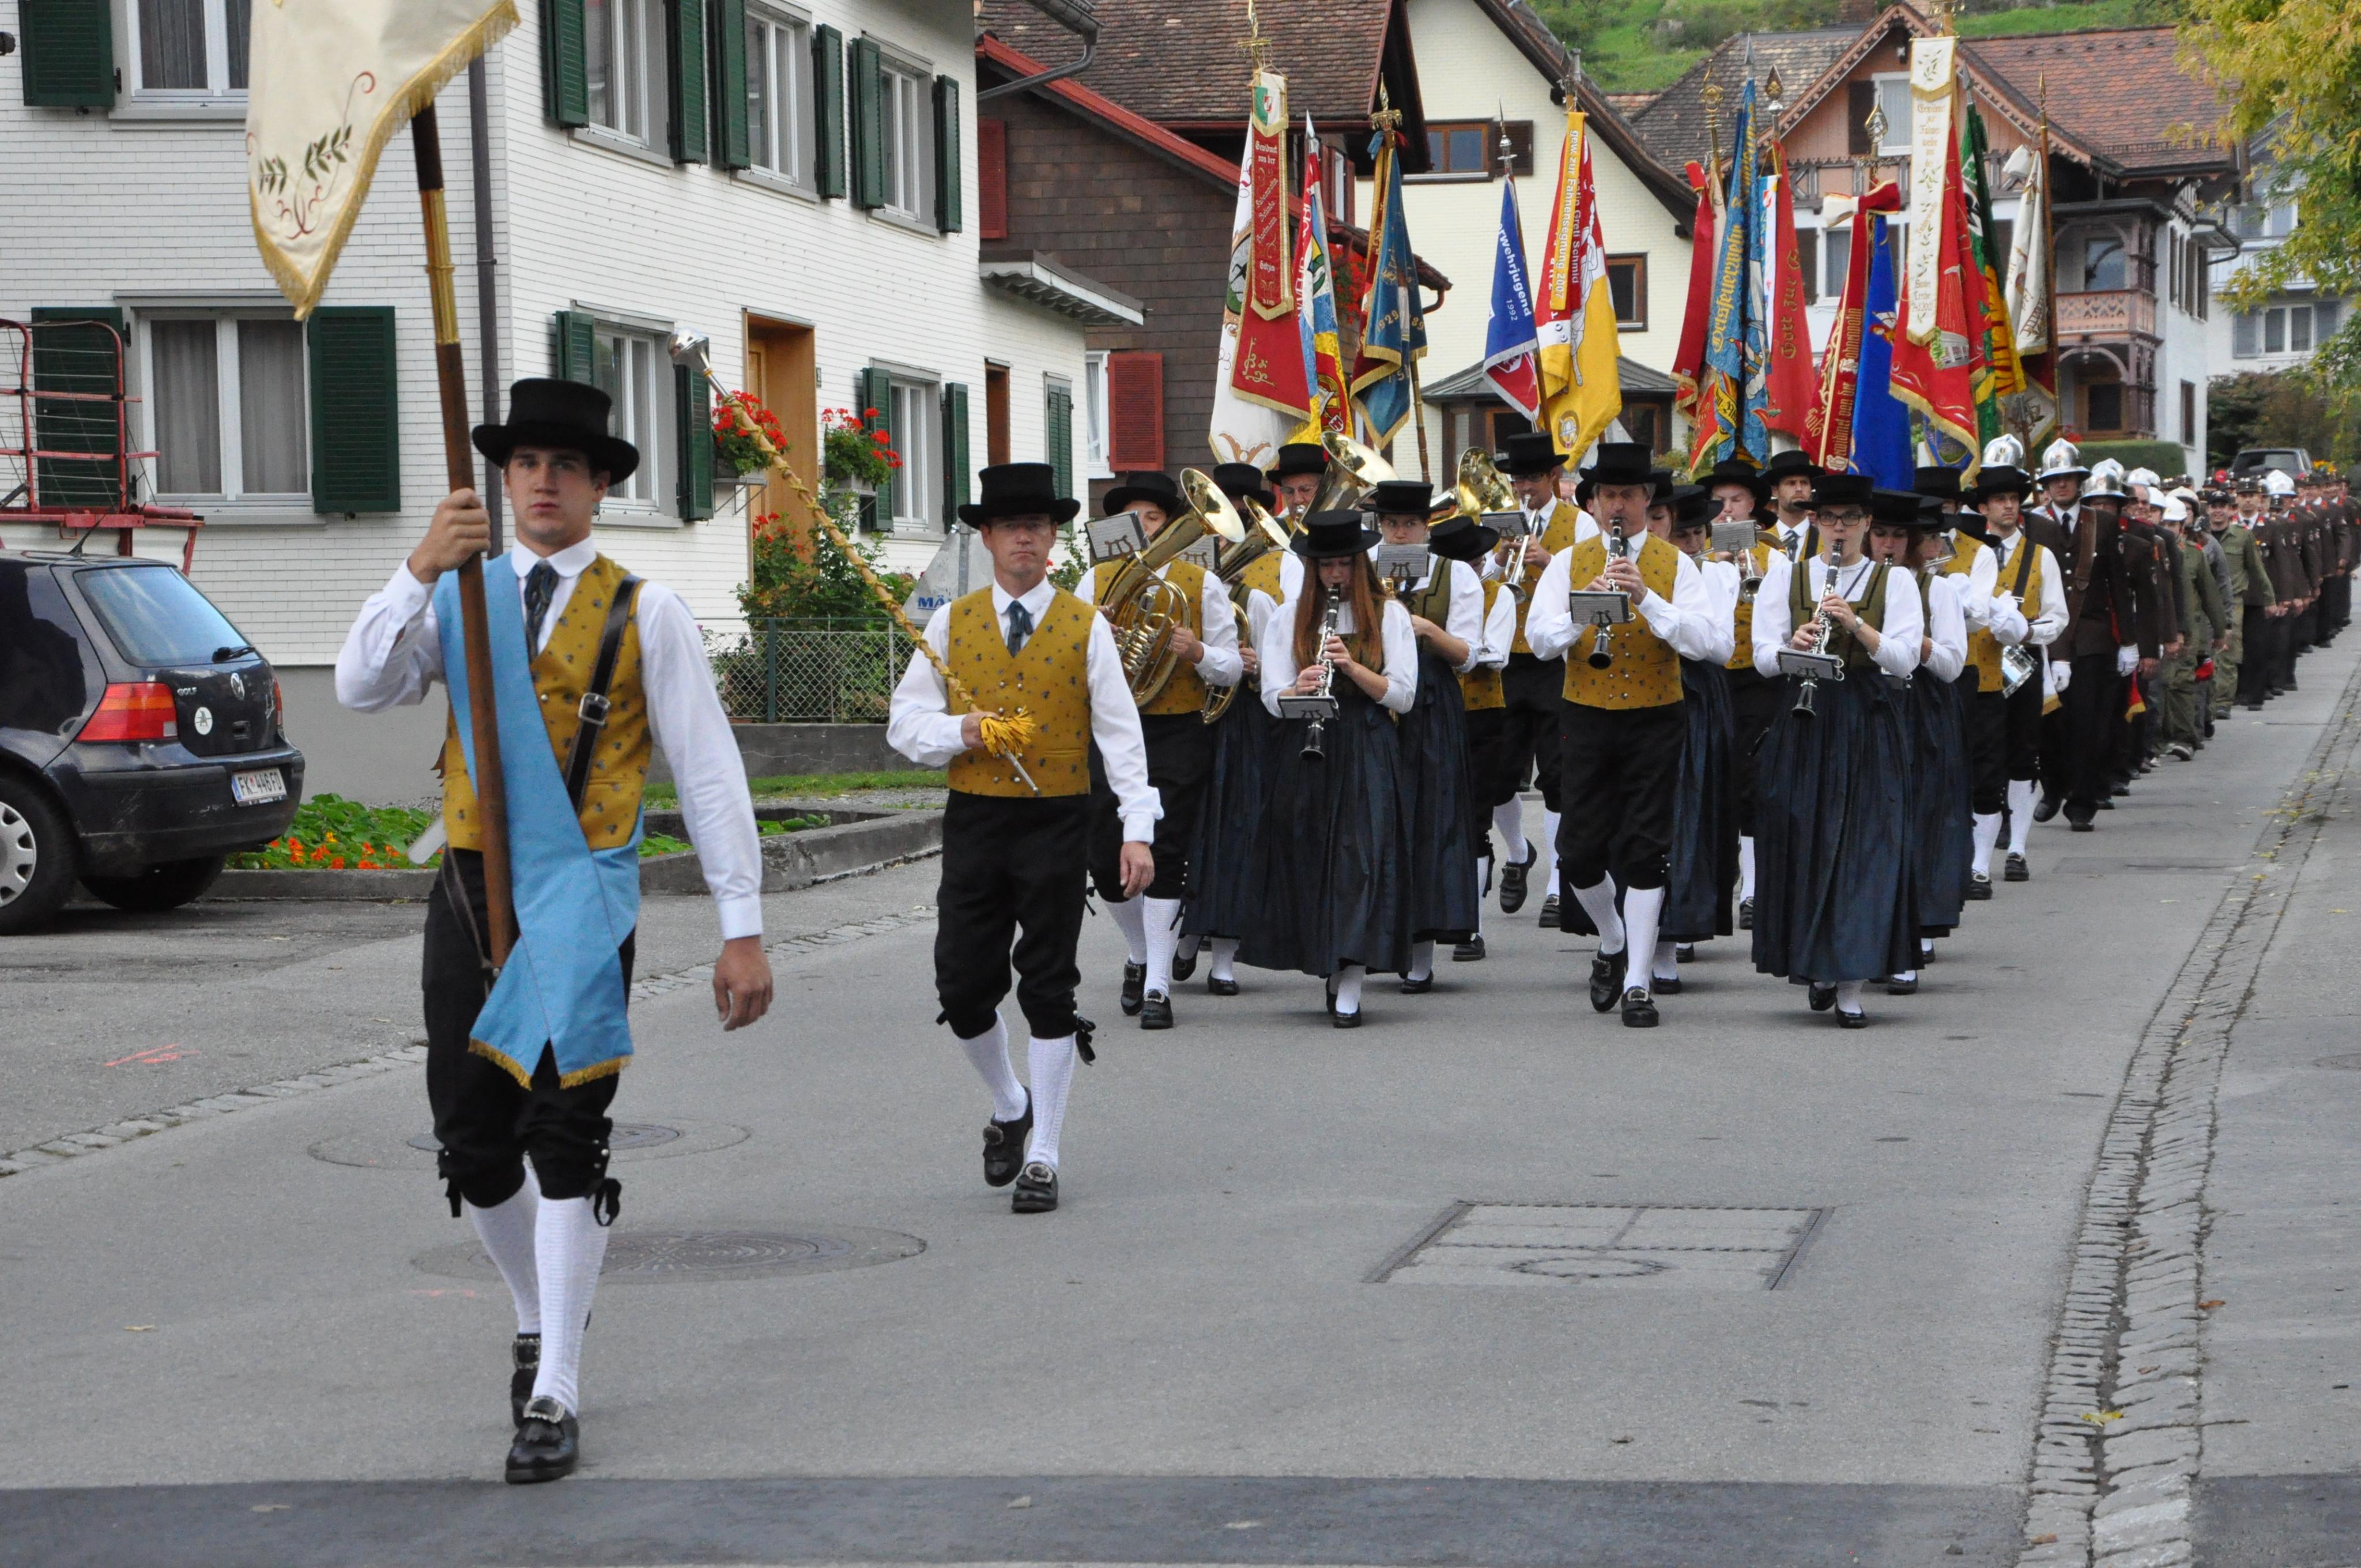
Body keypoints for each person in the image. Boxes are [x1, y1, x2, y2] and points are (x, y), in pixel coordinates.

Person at [335, 378, 776, 1483]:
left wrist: (742, 926)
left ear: (600, 486)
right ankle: (538, 1315)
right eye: (526, 464)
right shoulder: (460, 593)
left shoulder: (646, 612)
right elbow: (358, 687)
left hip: (581, 892)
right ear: (503, 479)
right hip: (469, 889)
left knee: (564, 1130)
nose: (543, 483)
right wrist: (417, 567)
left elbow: (709, 772)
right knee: (471, 1139)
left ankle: (556, 1388)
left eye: (566, 466)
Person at [887, 462, 1158, 1216]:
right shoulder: (951, 623)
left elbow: (1121, 736)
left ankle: (1045, 1154)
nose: (1024, 540)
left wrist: (1137, 832)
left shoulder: (1085, 624)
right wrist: (963, 730)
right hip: (976, 819)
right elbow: (904, 723)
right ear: (987, 537)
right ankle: (1011, 1103)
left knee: (1047, 983)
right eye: (1011, 527)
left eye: (1037, 527)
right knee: (961, 985)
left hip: (1058, 818)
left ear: (1052, 537)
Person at [1522, 442, 1717, 1027]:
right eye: (1609, 495)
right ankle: (1612, 938)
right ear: (1595, 501)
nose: (1618, 505)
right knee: (1579, 851)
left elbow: (1708, 643)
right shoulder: (1569, 562)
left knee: (1646, 849)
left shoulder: (1676, 565)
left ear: (1646, 500)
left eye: (1629, 495)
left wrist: (1645, 597)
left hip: (1657, 715)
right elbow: (1538, 641)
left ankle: (1637, 981)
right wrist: (1585, 612)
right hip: (1585, 713)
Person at [1747, 476, 1924, 1028]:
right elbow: (1760, 657)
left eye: (1850, 518)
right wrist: (1791, 645)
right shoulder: (1788, 575)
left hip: (1867, 719)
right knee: (1806, 839)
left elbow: (1905, 660)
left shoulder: (1895, 581)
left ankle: (1850, 983)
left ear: (1867, 523)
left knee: (1864, 848)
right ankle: (1817, 963)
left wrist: (1857, 626)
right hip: (1805, 719)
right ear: (1816, 522)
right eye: (1829, 519)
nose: (1839, 528)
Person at [1075, 470, 1243, 1030]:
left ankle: (1157, 984)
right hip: (1108, 730)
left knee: (1166, 850)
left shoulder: (1201, 583)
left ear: (1170, 525)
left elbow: (1232, 667)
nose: (1143, 528)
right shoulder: (1094, 580)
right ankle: (1141, 950)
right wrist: (1090, 635)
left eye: (1152, 518)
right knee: (1104, 857)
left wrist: (1197, 652)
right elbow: (1065, 660)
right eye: (1134, 519)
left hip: (1176, 731)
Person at [1239, 512, 1418, 1027]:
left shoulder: (1388, 615)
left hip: (1367, 743)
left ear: (1360, 566)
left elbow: (1403, 696)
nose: (1335, 575)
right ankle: (1332, 961)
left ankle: (1353, 982)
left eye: (1344, 564)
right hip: (1307, 747)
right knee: (1313, 858)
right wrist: (1296, 687)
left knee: (1362, 861)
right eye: (1326, 566)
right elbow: (1272, 697)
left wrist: (1352, 667)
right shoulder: (1289, 616)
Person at [1367, 480, 1486, 989]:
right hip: (1373, 697)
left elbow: (1469, 655)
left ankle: (1420, 955)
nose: (1401, 533)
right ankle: (1369, 942)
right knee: (1373, 823)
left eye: (1411, 524)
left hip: (1432, 703)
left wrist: (1429, 631)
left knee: (1428, 823)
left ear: (1425, 527)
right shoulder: (1360, 567)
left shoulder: (1454, 574)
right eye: (1392, 524)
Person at [1181, 463, 1288, 996]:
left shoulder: (1258, 598)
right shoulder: (1175, 590)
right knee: (1186, 835)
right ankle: (1183, 935)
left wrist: (1254, 665)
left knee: (1233, 837)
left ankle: (1223, 958)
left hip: (1239, 727)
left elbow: (1278, 672)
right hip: (1185, 723)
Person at [1491, 431, 1598, 928]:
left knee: (1557, 776)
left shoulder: (1580, 524)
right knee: (1498, 775)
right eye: (1517, 480)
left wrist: (1549, 562)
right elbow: (1478, 589)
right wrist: (1496, 563)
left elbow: (1595, 585)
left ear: (1554, 477)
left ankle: (1557, 885)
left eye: (1532, 478)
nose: (1523, 488)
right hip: (1508, 660)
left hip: (1557, 661)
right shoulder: (1500, 522)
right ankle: (1518, 852)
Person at [1870, 497, 1971, 994]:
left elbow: (1952, 665)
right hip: (1869, 709)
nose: (1888, 544)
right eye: (1881, 534)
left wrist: (1914, 640)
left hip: (1923, 710)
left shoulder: (1938, 589)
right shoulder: (1853, 586)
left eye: (1898, 536)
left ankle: (1913, 935)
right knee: (1873, 827)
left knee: (1920, 822)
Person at [2026, 444, 2152, 832]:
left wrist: (2129, 641)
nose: (2061, 485)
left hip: (2093, 638)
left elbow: (2118, 586)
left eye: (2068, 478)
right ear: (2046, 486)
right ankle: (2053, 787)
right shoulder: (2032, 524)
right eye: (2054, 480)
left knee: (2090, 724)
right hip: (2047, 636)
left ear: (2080, 482)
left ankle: (2082, 800)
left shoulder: (2103, 523)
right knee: (2048, 723)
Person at [1654, 485, 1740, 994]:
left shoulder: (1718, 575)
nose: (1689, 543)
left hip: (1695, 694)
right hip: (1635, 691)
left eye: (1695, 533)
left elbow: (1720, 647)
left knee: (1689, 813)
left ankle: (1674, 932)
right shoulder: (1637, 566)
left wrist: (1664, 614)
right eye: (1678, 533)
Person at [1699, 457, 1789, 931]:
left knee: (1754, 780)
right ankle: (1716, 876)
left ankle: (1753, 889)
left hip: (1758, 679)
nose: (1728, 510)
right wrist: (1718, 568)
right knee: (1714, 779)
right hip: (1712, 676)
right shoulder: (1698, 557)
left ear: (1754, 505)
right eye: (1720, 502)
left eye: (1737, 500)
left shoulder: (1774, 558)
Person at [1966, 454, 2062, 884]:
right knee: (1983, 759)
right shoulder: (1968, 555)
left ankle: (2018, 848)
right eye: (1998, 500)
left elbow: (2058, 617)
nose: (2008, 506)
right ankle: (1978, 855)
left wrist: (2027, 631)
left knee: (2023, 756)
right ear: (1982, 507)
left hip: (2023, 665)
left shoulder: (2041, 556)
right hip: (1976, 667)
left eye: (2013, 499)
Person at [1455, 510, 1519, 962]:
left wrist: (1444, 642)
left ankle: (1471, 927)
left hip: (1482, 712)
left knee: (1476, 817)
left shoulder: (1498, 596)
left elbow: (1496, 656)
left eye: (1475, 565)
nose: (1471, 573)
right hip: (1429, 712)